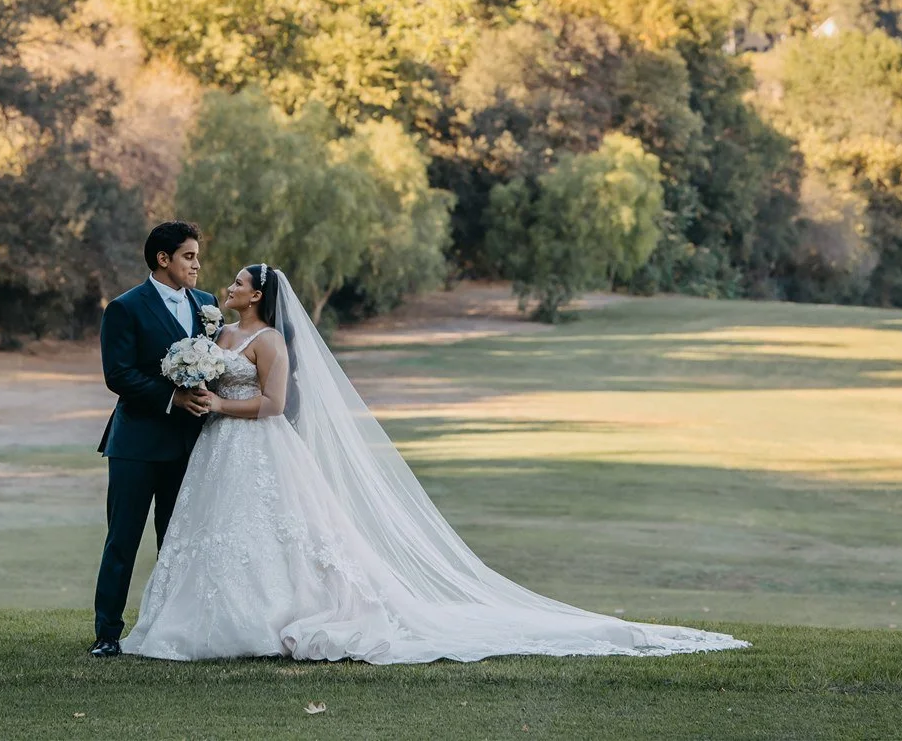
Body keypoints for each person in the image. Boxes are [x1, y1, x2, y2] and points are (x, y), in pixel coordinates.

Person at [120, 263, 749, 663]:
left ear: (257, 295)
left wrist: (216, 406)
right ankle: (197, 622)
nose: (224, 287)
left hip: (254, 446)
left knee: (274, 535)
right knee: (214, 535)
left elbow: (276, 405)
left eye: (235, 282)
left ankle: (264, 623)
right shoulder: (218, 335)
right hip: (215, 456)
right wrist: (195, 382)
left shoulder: (270, 340)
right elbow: (203, 369)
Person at [89, 221, 219, 657]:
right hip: (136, 446)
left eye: (197, 256)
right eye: (188, 256)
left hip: (189, 445)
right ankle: (107, 634)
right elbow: (118, 374)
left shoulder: (207, 304)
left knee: (177, 538)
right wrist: (173, 397)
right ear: (163, 259)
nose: (197, 264)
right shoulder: (124, 308)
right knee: (122, 540)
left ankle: (169, 628)